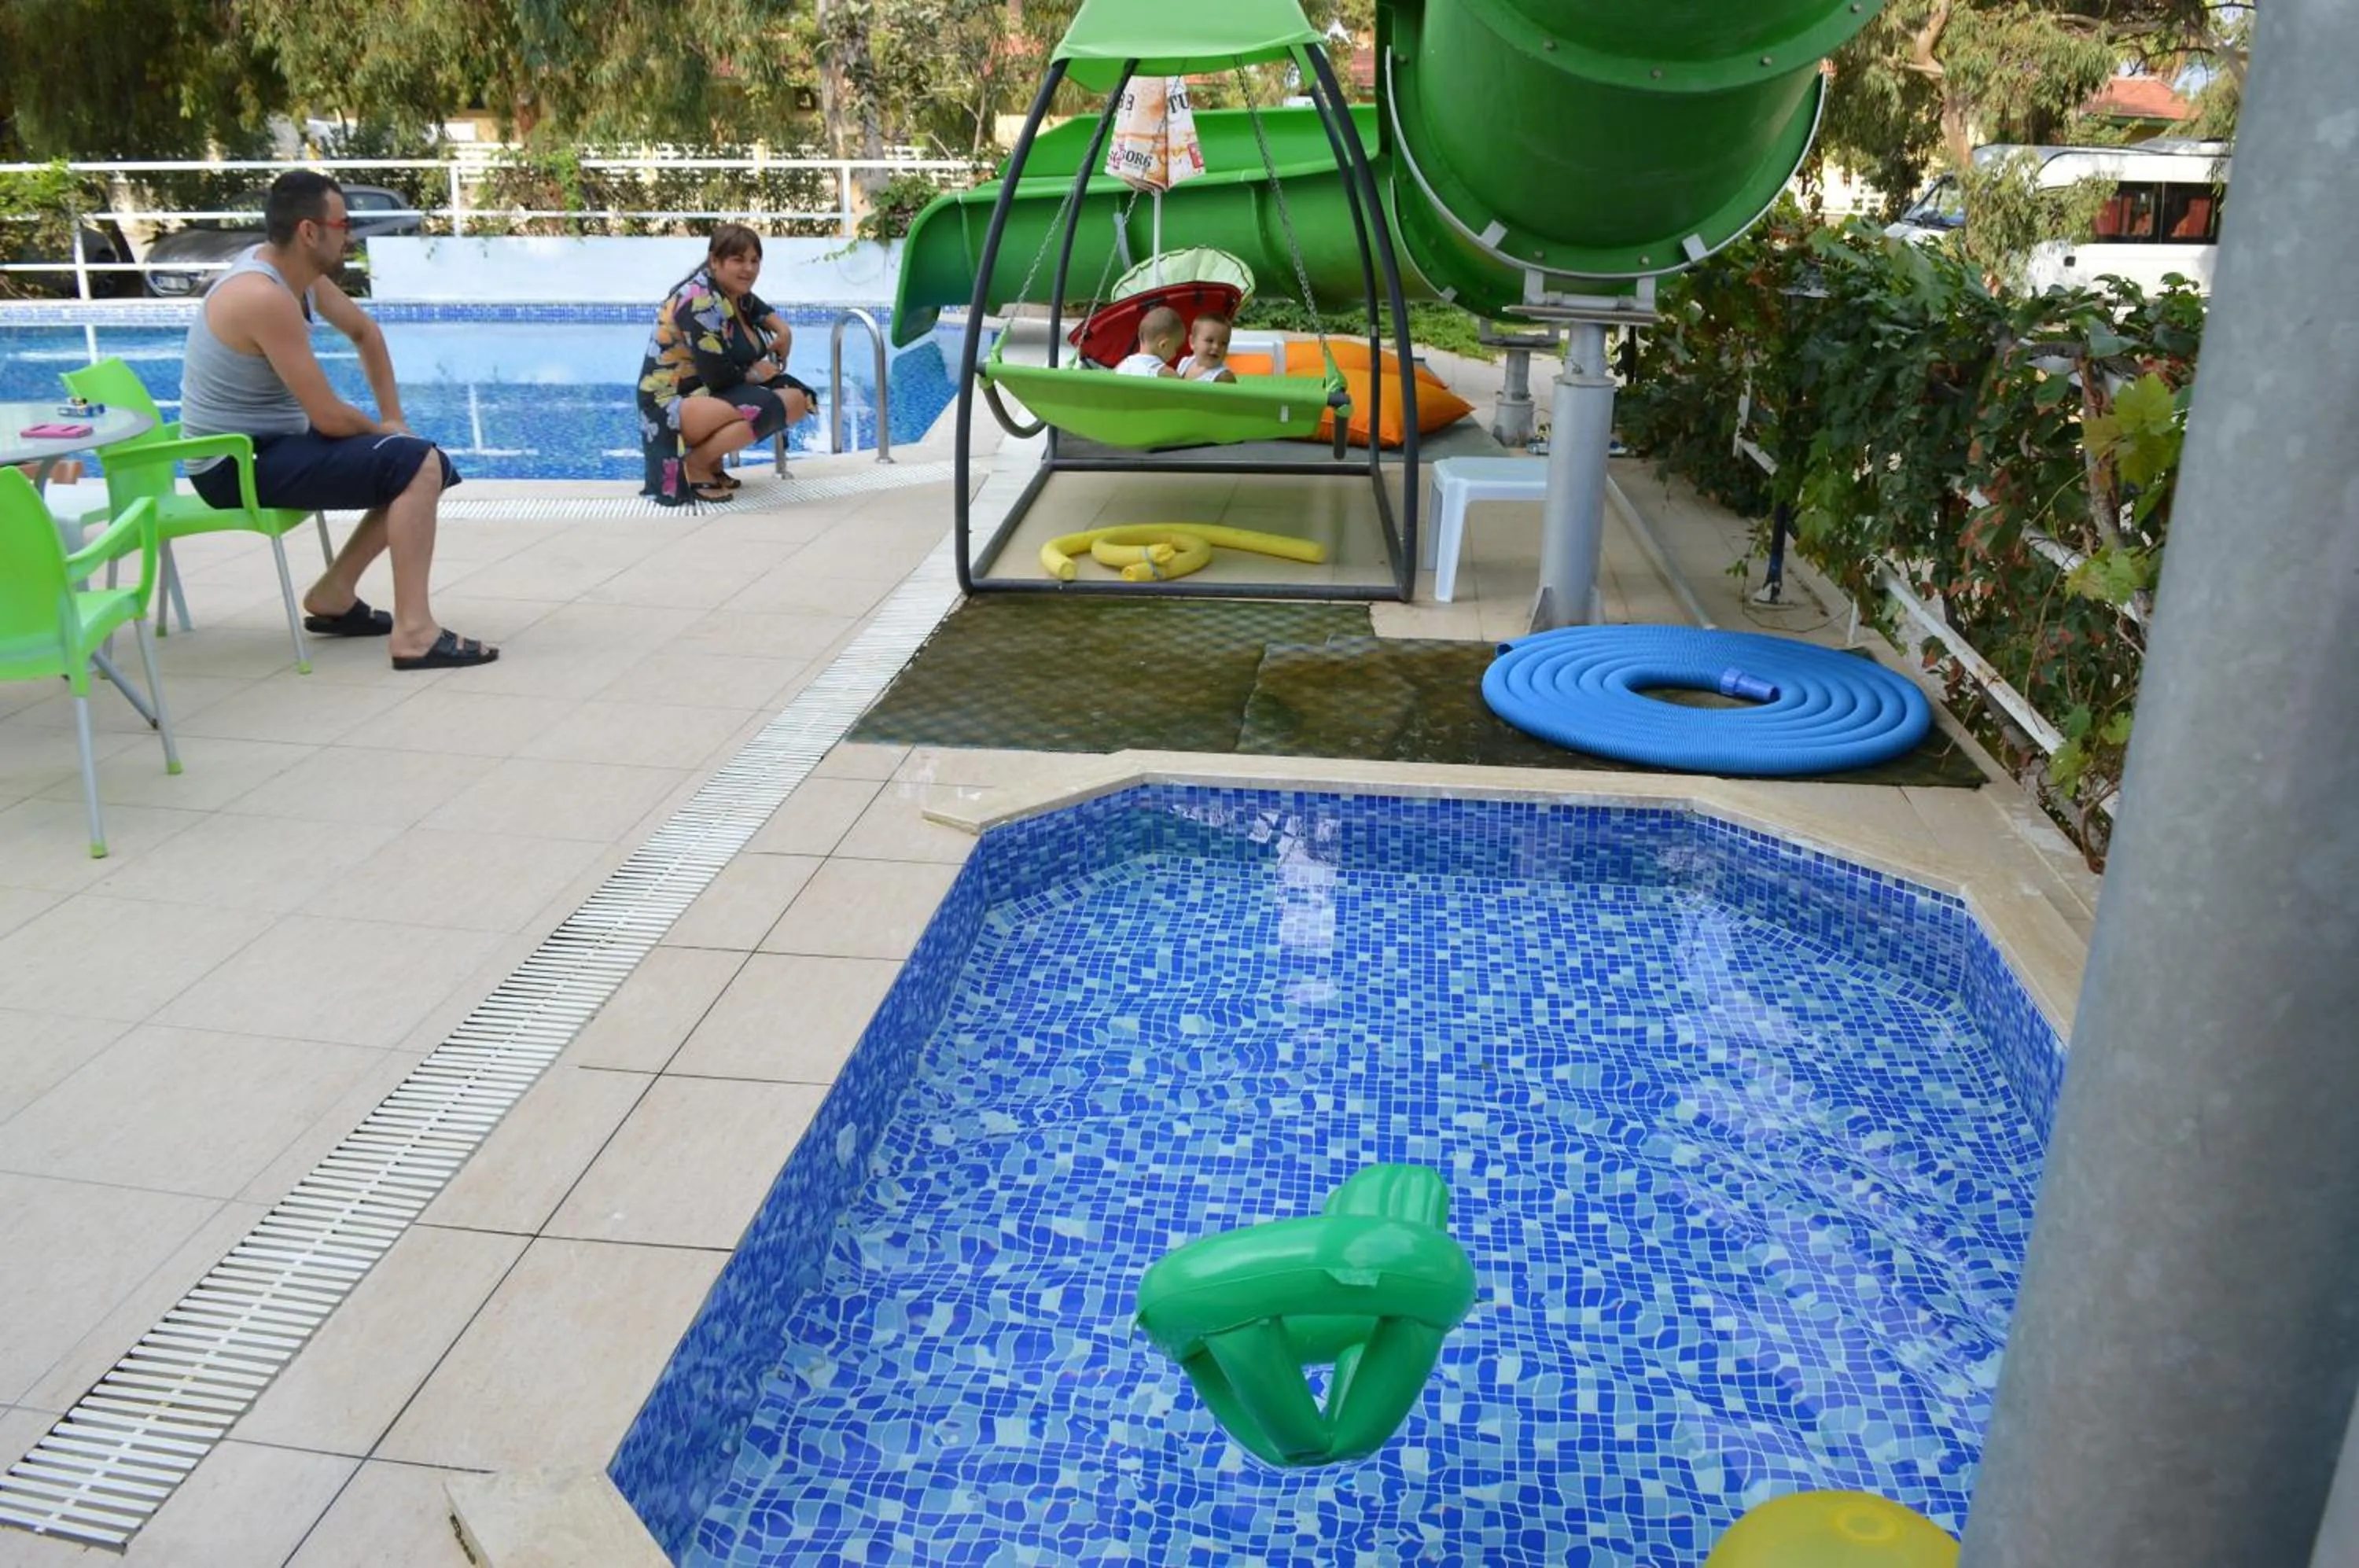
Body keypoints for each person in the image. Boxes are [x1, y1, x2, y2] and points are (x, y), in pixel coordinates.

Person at [178, 171, 492, 670]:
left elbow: (364, 332)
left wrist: (394, 418)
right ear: (309, 231)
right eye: (343, 223)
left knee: (422, 462)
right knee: (417, 464)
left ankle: (335, 594)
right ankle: (414, 634)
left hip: (270, 444)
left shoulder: (299, 278)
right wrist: (386, 434)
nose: (349, 234)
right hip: (232, 463)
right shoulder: (262, 296)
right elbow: (326, 416)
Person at [635, 224, 816, 505]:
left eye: (755, 260)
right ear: (714, 261)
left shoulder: (733, 293)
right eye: (738, 260)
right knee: (766, 405)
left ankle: (711, 465)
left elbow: (759, 309)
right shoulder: (698, 299)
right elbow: (718, 377)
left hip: (703, 394)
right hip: (669, 404)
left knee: (797, 396)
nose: (749, 269)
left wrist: (784, 331)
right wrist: (756, 373)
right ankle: (696, 465)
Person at [1114, 306, 1186, 377]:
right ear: (1164, 345)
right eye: (1175, 348)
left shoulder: (1122, 365)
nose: (1175, 354)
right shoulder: (1165, 373)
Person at [1176, 312, 1237, 383]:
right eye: (1210, 341)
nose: (1216, 347)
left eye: (1224, 343)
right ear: (1192, 342)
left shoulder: (1223, 377)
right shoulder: (1185, 363)